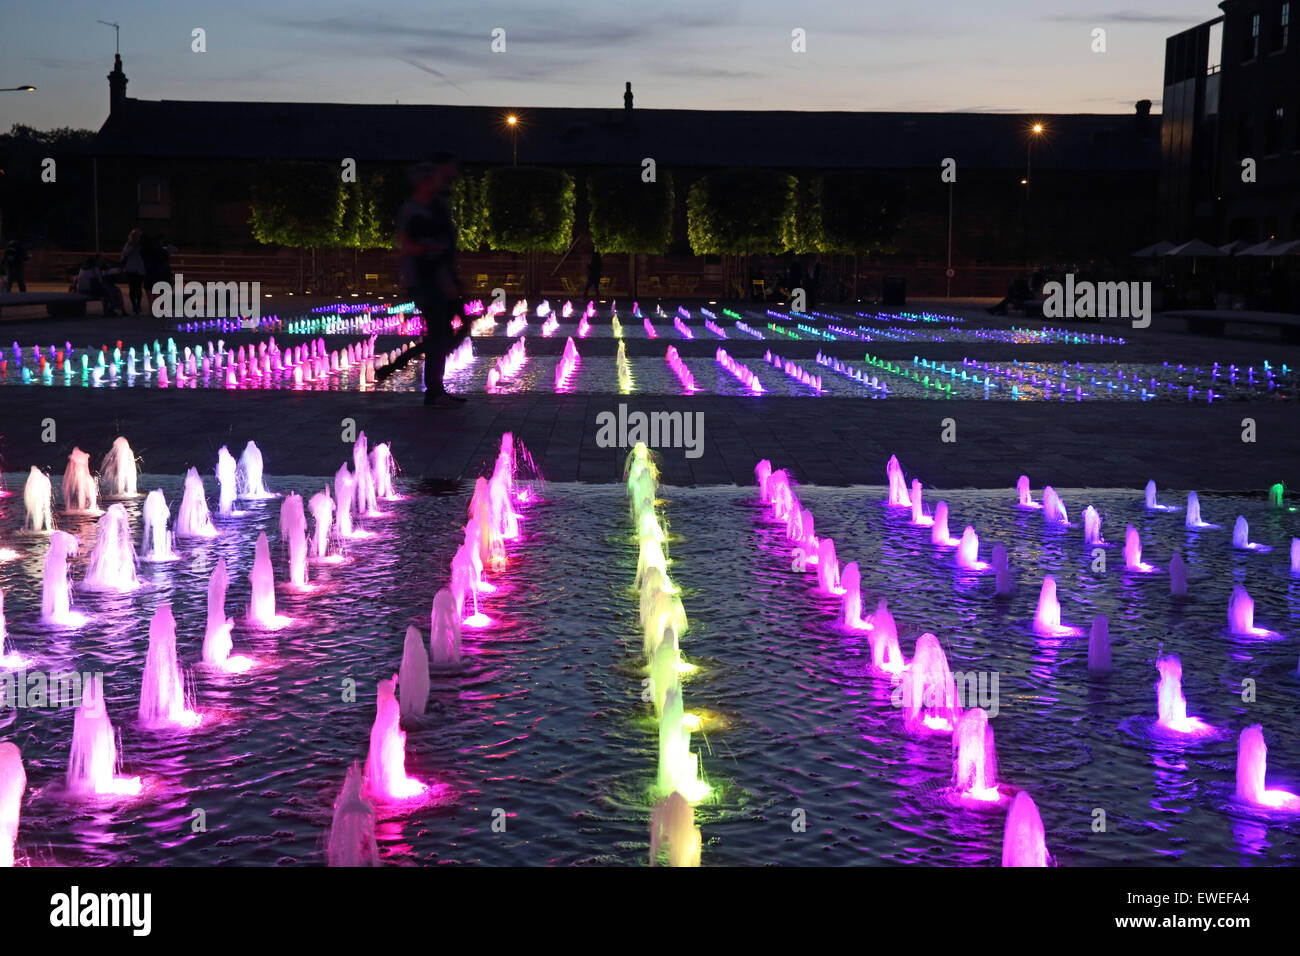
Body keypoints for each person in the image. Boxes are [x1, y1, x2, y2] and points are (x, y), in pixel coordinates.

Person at [396, 153, 466, 407]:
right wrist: (433, 251)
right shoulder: (414, 210)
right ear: (423, 182)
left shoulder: (433, 208)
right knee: (441, 334)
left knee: (443, 333)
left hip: (438, 279)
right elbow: (407, 246)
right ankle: (434, 391)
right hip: (426, 281)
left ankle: (434, 389)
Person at [121, 228, 146, 315]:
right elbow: (125, 253)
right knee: (132, 288)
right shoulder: (129, 244)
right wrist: (132, 246)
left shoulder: (142, 245)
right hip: (130, 269)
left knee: (138, 288)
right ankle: (134, 305)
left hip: (139, 269)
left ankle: (138, 304)